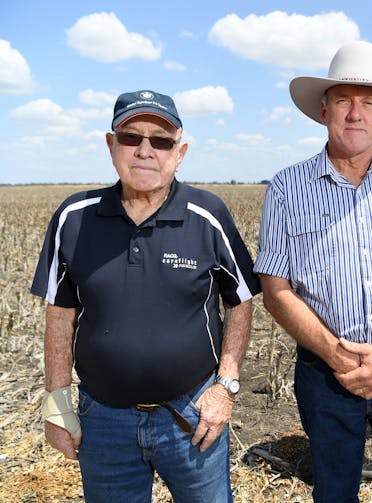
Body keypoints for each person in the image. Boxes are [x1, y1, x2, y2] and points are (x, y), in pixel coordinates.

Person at [31, 90, 259, 502]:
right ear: (110, 145)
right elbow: (60, 315)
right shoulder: (73, 218)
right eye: (131, 137)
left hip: (192, 416)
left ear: (180, 151)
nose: (145, 151)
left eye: (161, 140)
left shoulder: (208, 215)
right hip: (102, 422)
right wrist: (57, 403)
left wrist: (225, 387)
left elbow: (240, 302)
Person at [254, 41, 372, 503]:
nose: (355, 114)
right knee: (335, 493)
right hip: (325, 377)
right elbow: (275, 288)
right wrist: (338, 356)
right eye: (343, 101)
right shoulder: (286, 188)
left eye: (368, 104)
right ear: (324, 112)